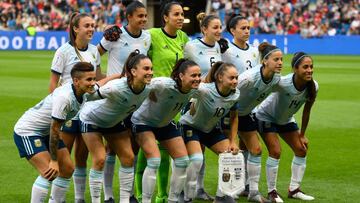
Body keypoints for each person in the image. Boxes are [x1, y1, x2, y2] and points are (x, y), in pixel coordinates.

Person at [13, 62, 97, 203]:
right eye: (89, 79)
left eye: (93, 78)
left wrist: (119, 77)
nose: (93, 83)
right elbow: (55, 130)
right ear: (76, 81)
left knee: (68, 169)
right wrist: (54, 160)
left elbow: (103, 85)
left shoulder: (84, 91)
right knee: (50, 172)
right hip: (28, 131)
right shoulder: (65, 98)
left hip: (46, 131)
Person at [79, 51, 153, 203]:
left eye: (151, 69)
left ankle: (124, 200)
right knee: (99, 160)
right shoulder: (116, 88)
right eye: (146, 69)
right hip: (92, 120)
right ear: (133, 71)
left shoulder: (148, 88)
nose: (150, 73)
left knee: (129, 158)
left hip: (113, 123)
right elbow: (89, 95)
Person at [135, 2, 189, 203]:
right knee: (148, 149)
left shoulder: (184, 38)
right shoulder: (152, 35)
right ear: (165, 17)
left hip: (173, 100)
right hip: (153, 98)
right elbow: (137, 58)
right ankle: (141, 194)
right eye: (176, 14)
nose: (181, 17)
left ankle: (162, 196)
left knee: (166, 150)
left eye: (182, 14)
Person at [97, 2, 151, 202]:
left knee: (134, 146)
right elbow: (96, 53)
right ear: (128, 16)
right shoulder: (114, 35)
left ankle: (128, 194)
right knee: (112, 147)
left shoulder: (147, 37)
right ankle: (109, 195)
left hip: (136, 98)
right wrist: (100, 78)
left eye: (145, 16)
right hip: (115, 97)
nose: (144, 20)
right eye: (140, 16)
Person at [48, 12, 104, 203]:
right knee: (65, 159)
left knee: (82, 157)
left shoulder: (95, 50)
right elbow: (53, 83)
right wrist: (55, 110)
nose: (91, 29)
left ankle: (79, 198)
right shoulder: (63, 51)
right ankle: (57, 199)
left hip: (88, 110)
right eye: (87, 25)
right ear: (75, 28)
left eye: (92, 25)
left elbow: (98, 77)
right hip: (69, 110)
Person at [131, 59, 201, 203]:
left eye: (199, 75)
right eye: (193, 76)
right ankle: (145, 201)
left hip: (164, 124)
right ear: (181, 76)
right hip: (143, 122)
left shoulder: (196, 89)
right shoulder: (163, 84)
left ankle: (172, 200)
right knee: (155, 160)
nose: (197, 79)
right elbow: (138, 84)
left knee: (182, 161)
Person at [256, 52, 317, 202]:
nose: (309, 70)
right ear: (295, 69)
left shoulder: (313, 86)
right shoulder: (282, 83)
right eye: (305, 67)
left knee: (301, 150)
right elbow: (262, 91)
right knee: (276, 151)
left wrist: (302, 134)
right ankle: (272, 192)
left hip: (286, 119)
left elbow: (306, 111)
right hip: (266, 116)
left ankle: (294, 190)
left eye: (311, 67)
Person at [229, 42, 283, 203]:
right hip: (227, 113)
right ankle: (228, 190)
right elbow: (229, 93)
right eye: (276, 59)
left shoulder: (276, 78)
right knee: (230, 152)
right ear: (265, 61)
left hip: (245, 114)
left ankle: (253, 192)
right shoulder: (249, 78)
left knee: (256, 150)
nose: (280, 63)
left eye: (281, 59)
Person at [179, 61, 240, 203]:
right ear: (220, 78)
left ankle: (221, 196)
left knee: (232, 158)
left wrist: (233, 141)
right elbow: (185, 89)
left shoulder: (235, 94)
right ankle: (185, 195)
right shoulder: (205, 89)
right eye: (231, 78)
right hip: (190, 126)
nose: (235, 81)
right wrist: (191, 102)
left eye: (236, 77)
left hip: (210, 129)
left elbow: (234, 117)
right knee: (196, 160)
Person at [221, 13, 260, 196]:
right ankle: (232, 187)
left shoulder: (254, 51)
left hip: (248, 106)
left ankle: (245, 186)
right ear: (232, 31)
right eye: (242, 28)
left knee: (248, 148)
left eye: (248, 28)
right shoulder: (225, 49)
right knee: (232, 147)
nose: (246, 31)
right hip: (230, 106)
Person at [184, 12, 222, 77]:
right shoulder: (191, 46)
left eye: (220, 27)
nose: (219, 31)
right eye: (215, 28)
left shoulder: (217, 45)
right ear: (204, 29)